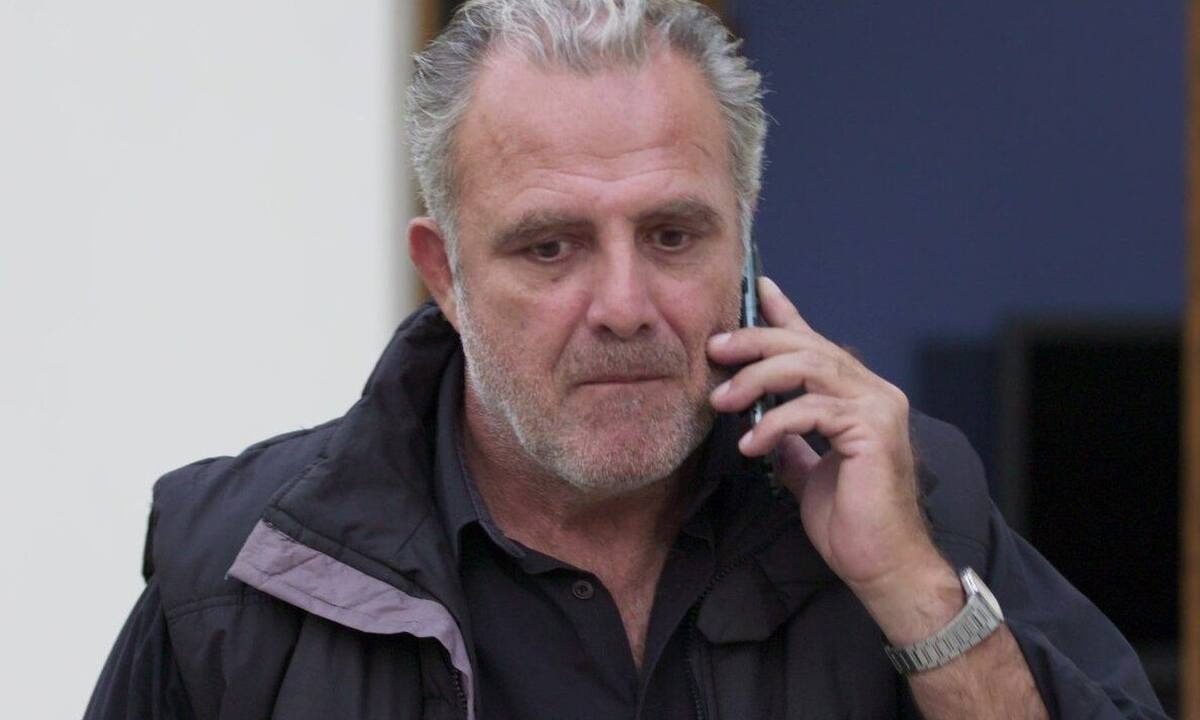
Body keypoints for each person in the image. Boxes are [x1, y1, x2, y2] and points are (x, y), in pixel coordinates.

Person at [85, 1, 1168, 718]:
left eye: (673, 236)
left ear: (745, 247)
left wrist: (914, 592)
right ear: (445, 275)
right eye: (549, 247)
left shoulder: (908, 502)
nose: (623, 307)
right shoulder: (245, 573)